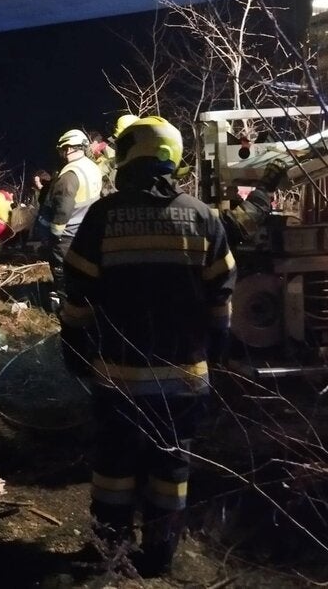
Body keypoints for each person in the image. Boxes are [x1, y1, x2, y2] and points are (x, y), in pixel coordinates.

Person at [59, 116, 236, 578]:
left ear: (129, 158)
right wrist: (214, 353)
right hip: (184, 378)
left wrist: (75, 345)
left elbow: (77, 292)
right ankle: (159, 555)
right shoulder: (203, 216)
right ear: (171, 158)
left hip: (118, 376)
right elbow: (221, 297)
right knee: (171, 467)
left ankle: (109, 550)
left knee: (114, 467)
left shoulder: (103, 216)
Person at [34, 128, 103, 303]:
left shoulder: (70, 174)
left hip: (67, 234)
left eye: (62, 149)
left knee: (62, 268)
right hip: (85, 229)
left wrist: (55, 234)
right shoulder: (91, 167)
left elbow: (63, 208)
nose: (61, 154)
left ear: (69, 148)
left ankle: (65, 303)